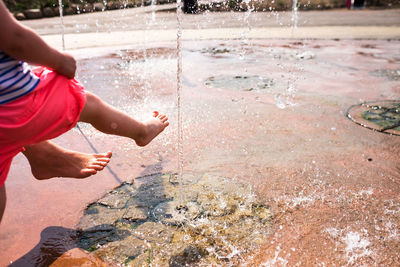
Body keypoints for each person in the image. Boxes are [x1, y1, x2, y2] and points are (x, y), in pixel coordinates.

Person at [0, 0, 169, 223]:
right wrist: (59, 61)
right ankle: (141, 131)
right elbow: (16, 40)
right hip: (15, 109)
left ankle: (42, 156)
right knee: (84, 101)